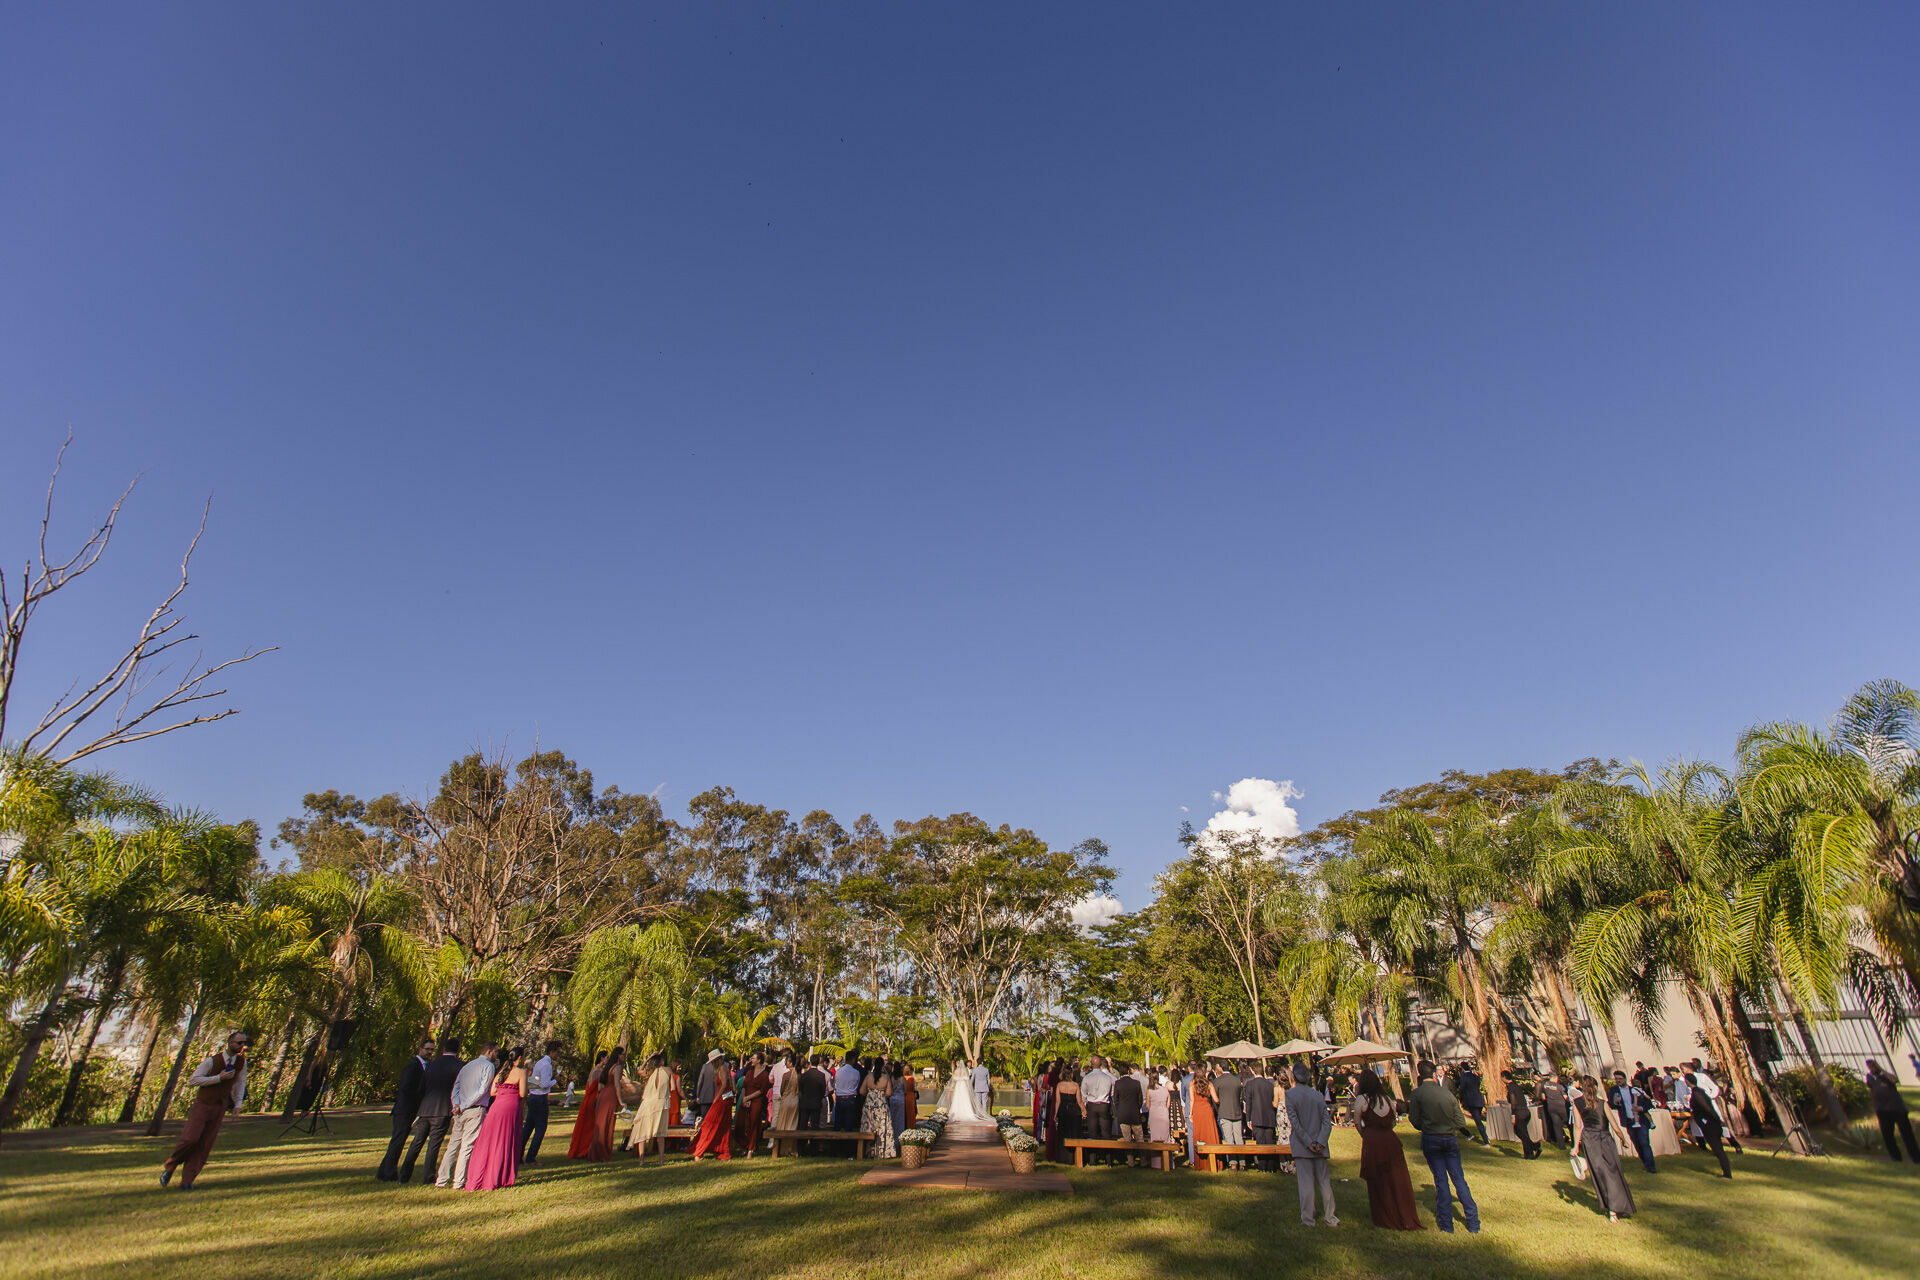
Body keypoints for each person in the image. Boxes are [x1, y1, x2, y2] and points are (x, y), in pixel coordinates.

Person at [159, 1030, 249, 1190]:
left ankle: (187, 1181)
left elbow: (240, 1083)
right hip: (203, 1104)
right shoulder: (211, 1061)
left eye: (244, 1043)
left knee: (205, 1144)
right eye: (239, 1043)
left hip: (220, 1106)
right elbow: (193, 1080)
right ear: (230, 1043)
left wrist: (238, 1104)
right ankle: (171, 1165)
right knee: (190, 1139)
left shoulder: (241, 1063)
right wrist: (218, 1078)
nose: (242, 1046)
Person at [1407, 1060, 1481, 1234]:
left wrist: (1427, 1125)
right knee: (1459, 1179)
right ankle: (1473, 1222)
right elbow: (1461, 1121)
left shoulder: (1418, 1095)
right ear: (1434, 1074)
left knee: (1441, 1181)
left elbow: (1415, 1120)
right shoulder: (1447, 1094)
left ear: (1419, 1075)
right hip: (1450, 1138)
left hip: (1431, 1138)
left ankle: (1447, 1225)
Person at [1353, 1068, 1422, 1230]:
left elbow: (1357, 1121)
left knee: (1378, 1179)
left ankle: (1384, 1215)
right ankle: (1402, 1214)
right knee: (1396, 1178)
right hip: (1390, 1140)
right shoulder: (1387, 1099)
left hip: (1373, 1140)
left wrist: (1366, 1134)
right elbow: (1393, 1121)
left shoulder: (1362, 1099)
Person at [399, 1036, 464, 1184]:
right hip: (442, 1109)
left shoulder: (431, 1065)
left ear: (443, 1049)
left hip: (425, 1108)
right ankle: (428, 1176)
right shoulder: (460, 1066)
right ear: (458, 1050)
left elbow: (422, 1087)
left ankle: (404, 1174)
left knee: (417, 1142)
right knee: (434, 1144)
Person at [465, 1046, 527, 1190]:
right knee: (505, 1140)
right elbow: (523, 1093)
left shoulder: (501, 1072)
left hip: (496, 1107)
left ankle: (480, 1175)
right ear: (519, 1058)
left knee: (490, 1140)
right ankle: (499, 1175)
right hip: (510, 1108)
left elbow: (493, 1091)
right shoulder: (521, 1072)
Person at [1574, 1073, 1634, 1221]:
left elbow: (1577, 1126)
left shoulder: (1577, 1103)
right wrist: (1623, 1139)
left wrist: (1576, 1146)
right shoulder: (1602, 1103)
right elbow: (1614, 1124)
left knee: (1600, 1173)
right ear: (1594, 1088)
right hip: (1604, 1138)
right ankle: (1617, 1207)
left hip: (1589, 1139)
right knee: (1613, 1172)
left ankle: (1613, 1208)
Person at [437, 1042, 497, 1187]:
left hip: (460, 1109)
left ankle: (442, 1179)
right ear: (489, 1052)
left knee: (453, 1145)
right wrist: (463, 1105)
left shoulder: (467, 1066)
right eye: (496, 1051)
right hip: (474, 1109)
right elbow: (483, 1089)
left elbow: (456, 1087)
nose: (497, 1055)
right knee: (467, 1146)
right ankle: (458, 1180)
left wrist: (456, 1104)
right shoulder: (488, 1066)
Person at [1284, 1064, 1338, 1227]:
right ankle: (1330, 1217)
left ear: (1294, 1077)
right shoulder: (1317, 1095)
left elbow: (1296, 1124)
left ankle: (1308, 1219)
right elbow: (1326, 1122)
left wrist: (1309, 1143)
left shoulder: (1291, 1095)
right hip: (1319, 1144)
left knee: (1306, 1183)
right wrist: (1320, 1142)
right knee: (1324, 1182)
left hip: (1303, 1146)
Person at [378, 1037, 435, 1181]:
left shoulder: (425, 1066)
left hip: (410, 1109)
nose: (429, 1052)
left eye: (432, 1050)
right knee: (398, 1141)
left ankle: (383, 1171)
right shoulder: (412, 1066)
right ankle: (389, 1173)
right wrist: (420, 1098)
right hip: (404, 1110)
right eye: (427, 1049)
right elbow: (406, 1087)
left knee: (398, 1141)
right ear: (420, 1049)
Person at [1866, 1059, 1920, 1162]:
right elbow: (1871, 1091)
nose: (1872, 1068)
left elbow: (1894, 1080)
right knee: (1888, 1136)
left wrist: (1881, 1069)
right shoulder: (1870, 1078)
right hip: (1882, 1111)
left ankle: (1916, 1157)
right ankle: (1896, 1158)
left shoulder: (1885, 1076)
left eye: (1873, 1066)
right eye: (1870, 1066)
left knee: (1907, 1134)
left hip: (1897, 1109)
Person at [1683, 1071, 1732, 1178]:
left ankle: (1727, 1174)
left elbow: (1707, 1108)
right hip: (1710, 1123)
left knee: (1718, 1150)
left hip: (1709, 1124)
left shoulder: (1697, 1094)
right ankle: (1726, 1172)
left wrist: (1715, 1119)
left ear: (1687, 1082)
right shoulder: (1699, 1092)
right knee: (1717, 1149)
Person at [1608, 1069, 1657, 1173]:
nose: (1618, 1081)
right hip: (1629, 1120)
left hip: (1640, 1120)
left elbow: (1648, 1103)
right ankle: (1645, 1161)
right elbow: (1611, 1105)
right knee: (1637, 1143)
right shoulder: (1614, 1091)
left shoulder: (1634, 1090)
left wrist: (1641, 1108)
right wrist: (1615, 1103)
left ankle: (1651, 1166)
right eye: (1616, 1079)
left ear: (1625, 1079)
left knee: (1644, 1142)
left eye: (1620, 1079)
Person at [631, 1052, 674, 1167]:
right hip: (661, 1103)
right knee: (660, 1134)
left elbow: (639, 1070)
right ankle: (661, 1160)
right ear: (661, 1061)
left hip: (648, 1103)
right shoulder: (668, 1071)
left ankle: (641, 1160)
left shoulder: (649, 1073)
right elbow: (673, 1088)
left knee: (642, 1132)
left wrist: (648, 1058)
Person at [583, 1047, 625, 1161]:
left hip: (602, 1095)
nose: (624, 1056)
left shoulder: (607, 1067)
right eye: (623, 1054)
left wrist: (598, 1097)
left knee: (600, 1124)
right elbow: (617, 1085)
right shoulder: (617, 1068)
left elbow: (600, 1085)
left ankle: (595, 1152)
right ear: (618, 1055)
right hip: (610, 1095)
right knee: (607, 1124)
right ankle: (603, 1153)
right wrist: (621, 1101)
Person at [521, 1040, 559, 1165]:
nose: (558, 1055)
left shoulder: (539, 1062)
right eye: (557, 1053)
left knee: (528, 1127)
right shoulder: (546, 1065)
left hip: (533, 1097)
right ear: (552, 1052)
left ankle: (518, 1154)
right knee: (540, 1129)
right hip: (540, 1098)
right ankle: (531, 1158)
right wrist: (555, 1080)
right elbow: (544, 1084)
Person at [566, 1050, 609, 1158]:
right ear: (602, 1059)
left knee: (586, 1125)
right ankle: (585, 1149)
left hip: (588, 1099)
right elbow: (600, 1087)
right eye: (607, 1058)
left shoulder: (594, 1070)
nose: (608, 1060)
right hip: (593, 1099)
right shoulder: (599, 1071)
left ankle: (582, 1148)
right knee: (590, 1126)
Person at [690, 1058, 735, 1160]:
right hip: (721, 1098)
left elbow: (724, 1085)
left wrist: (716, 1098)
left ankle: (703, 1151)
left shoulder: (723, 1067)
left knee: (712, 1123)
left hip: (722, 1099)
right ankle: (711, 1149)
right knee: (713, 1124)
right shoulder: (718, 1068)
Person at [1244, 1064, 1278, 1172]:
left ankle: (1262, 1167)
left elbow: (1248, 1103)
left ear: (1252, 1071)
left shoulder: (1250, 1085)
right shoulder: (1269, 1085)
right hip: (1269, 1117)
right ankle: (1271, 1166)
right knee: (1269, 1142)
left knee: (1260, 1143)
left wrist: (1248, 1119)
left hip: (1256, 1116)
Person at [1112, 1061, 1147, 1166]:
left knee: (1127, 1139)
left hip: (1123, 1114)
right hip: (1135, 1113)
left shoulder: (1118, 1083)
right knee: (1139, 1138)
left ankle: (1130, 1161)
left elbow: (1116, 1099)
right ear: (1128, 1071)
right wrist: (1137, 1107)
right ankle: (1143, 1160)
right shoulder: (1136, 1083)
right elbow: (1140, 1100)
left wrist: (1120, 1109)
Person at [1080, 1056, 1115, 1163]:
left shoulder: (1087, 1078)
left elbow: (1083, 1094)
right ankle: (1108, 1159)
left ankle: (1093, 1159)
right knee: (1106, 1132)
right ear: (1100, 1065)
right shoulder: (1108, 1078)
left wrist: (1085, 1107)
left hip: (1092, 1105)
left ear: (1091, 1064)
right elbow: (1111, 1093)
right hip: (1104, 1105)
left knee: (1093, 1132)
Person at [862, 1057, 897, 1158]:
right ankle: (882, 1151)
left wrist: (871, 1093)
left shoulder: (868, 1077)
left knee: (869, 1127)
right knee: (882, 1128)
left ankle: (869, 1151)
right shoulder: (886, 1078)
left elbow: (861, 1091)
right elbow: (889, 1093)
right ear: (883, 1066)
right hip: (881, 1105)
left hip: (869, 1105)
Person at [1213, 1062, 1247, 1169]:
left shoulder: (1217, 1081)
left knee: (1229, 1138)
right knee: (1239, 1137)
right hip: (1236, 1111)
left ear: (1221, 1069)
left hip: (1224, 1111)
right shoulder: (1237, 1080)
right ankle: (1242, 1162)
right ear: (1230, 1068)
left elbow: (1215, 1099)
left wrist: (1219, 1110)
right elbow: (1241, 1097)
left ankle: (1233, 1163)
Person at [737, 1054, 771, 1157]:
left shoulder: (764, 1075)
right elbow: (743, 1087)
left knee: (753, 1124)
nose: (751, 1060)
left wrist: (748, 1097)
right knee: (740, 1125)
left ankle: (751, 1148)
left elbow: (761, 1090)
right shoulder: (749, 1073)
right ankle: (745, 1145)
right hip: (745, 1100)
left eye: (754, 1058)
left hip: (756, 1101)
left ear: (759, 1060)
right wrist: (744, 1098)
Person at [1501, 1070, 1540, 1159]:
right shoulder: (1517, 1086)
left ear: (1504, 1077)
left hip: (1520, 1112)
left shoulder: (1511, 1088)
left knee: (1523, 1133)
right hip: (1525, 1111)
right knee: (1520, 1132)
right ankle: (1533, 1147)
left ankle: (1531, 1152)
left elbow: (1513, 1102)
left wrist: (1513, 1114)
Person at [1048, 1065, 1083, 1164]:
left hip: (1063, 1111)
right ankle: (1072, 1157)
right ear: (1071, 1074)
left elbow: (1058, 1102)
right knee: (1073, 1133)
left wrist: (1055, 1114)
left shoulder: (1059, 1085)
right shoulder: (1075, 1085)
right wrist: (1084, 1110)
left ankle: (1062, 1157)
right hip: (1073, 1111)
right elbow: (1079, 1101)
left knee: (1062, 1133)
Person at [1189, 1066, 1221, 1169]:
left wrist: (1190, 1113)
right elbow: (1216, 1099)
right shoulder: (1209, 1084)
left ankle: (1201, 1163)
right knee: (1209, 1133)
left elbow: (1191, 1100)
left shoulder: (1192, 1084)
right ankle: (1215, 1161)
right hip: (1207, 1110)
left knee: (1199, 1134)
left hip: (1197, 1110)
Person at [1455, 1060, 1489, 1146]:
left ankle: (1486, 1141)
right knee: (1479, 1120)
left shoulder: (1463, 1077)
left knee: (1478, 1121)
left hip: (1472, 1101)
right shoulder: (1475, 1076)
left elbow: (1462, 1089)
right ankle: (1486, 1137)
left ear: (1462, 1069)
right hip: (1479, 1100)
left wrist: (1461, 1097)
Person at [1147, 1068, 1173, 1169]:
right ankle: (1169, 1163)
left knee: (1155, 1139)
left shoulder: (1150, 1091)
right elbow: (1168, 1104)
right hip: (1164, 1114)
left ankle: (1156, 1164)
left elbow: (1148, 1105)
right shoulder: (1165, 1089)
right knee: (1166, 1138)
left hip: (1154, 1115)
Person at [832, 1053, 864, 1131]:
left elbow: (836, 1083)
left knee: (838, 1122)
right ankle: (848, 1141)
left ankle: (835, 1140)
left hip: (840, 1098)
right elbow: (857, 1084)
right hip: (851, 1098)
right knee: (849, 1123)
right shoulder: (856, 1072)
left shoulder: (839, 1071)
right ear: (853, 1060)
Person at [1540, 1073, 1570, 1149]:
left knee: (1557, 1126)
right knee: (1568, 1123)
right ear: (1556, 1078)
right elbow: (1565, 1097)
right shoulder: (1559, 1087)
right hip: (1561, 1107)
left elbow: (1543, 1097)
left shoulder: (1544, 1085)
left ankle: (1561, 1146)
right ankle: (1572, 1140)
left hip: (1551, 1107)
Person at [798, 1055, 828, 1131]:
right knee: (814, 1125)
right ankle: (813, 1142)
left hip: (805, 1102)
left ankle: (801, 1141)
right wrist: (819, 1097)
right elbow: (823, 1090)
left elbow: (800, 1088)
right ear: (818, 1062)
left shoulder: (804, 1075)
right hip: (816, 1102)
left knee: (803, 1124)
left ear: (810, 1062)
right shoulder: (821, 1075)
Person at [773, 1051, 801, 1134]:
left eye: (787, 1062)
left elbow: (782, 1089)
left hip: (786, 1099)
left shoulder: (786, 1075)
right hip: (795, 1100)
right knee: (792, 1123)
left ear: (790, 1063)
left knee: (782, 1122)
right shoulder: (799, 1075)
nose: (786, 1063)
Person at [693, 1048, 722, 1124]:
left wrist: (698, 1095)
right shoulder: (722, 1067)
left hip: (704, 1096)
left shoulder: (705, 1067)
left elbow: (700, 1082)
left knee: (704, 1119)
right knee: (715, 1119)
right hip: (717, 1096)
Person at [888, 1061, 908, 1141]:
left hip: (892, 1099)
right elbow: (905, 1091)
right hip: (900, 1100)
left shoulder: (891, 1077)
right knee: (900, 1119)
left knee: (892, 1118)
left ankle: (892, 1136)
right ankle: (899, 1137)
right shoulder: (902, 1078)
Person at [901, 1061, 919, 1131]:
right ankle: (911, 1126)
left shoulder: (902, 1078)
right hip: (910, 1095)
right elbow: (913, 1088)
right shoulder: (911, 1078)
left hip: (904, 1096)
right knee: (911, 1112)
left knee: (905, 1111)